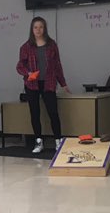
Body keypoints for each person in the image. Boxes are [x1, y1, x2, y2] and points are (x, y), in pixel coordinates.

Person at [16, 16, 71, 153]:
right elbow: (20, 65)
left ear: (44, 28)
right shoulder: (26, 46)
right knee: (35, 113)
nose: (38, 30)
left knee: (53, 112)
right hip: (32, 84)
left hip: (49, 82)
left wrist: (63, 83)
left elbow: (57, 65)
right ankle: (38, 141)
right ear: (32, 29)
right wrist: (28, 73)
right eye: (35, 27)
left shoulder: (51, 45)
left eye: (41, 27)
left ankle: (58, 141)